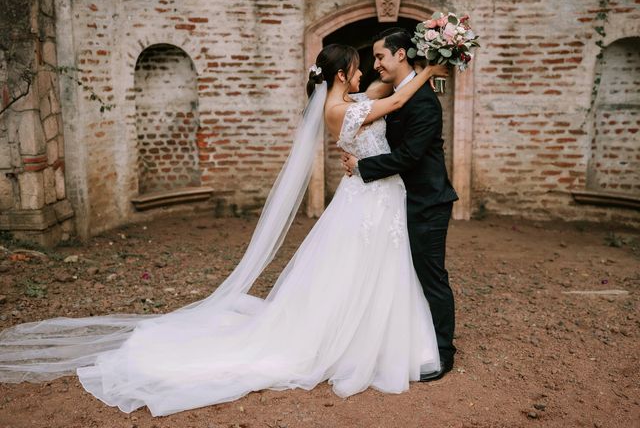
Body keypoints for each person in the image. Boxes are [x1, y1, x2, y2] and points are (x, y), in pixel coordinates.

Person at [0, 44, 448, 416]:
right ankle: (350, 341)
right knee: (359, 266)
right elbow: (392, 101)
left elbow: (382, 89)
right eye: (355, 68)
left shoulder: (349, 100)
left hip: (376, 196)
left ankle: (377, 334)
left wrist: (420, 60)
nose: (363, 72)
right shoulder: (339, 111)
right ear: (338, 76)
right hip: (366, 200)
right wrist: (429, 70)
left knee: (373, 268)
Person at [342, 28, 459, 381]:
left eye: (379, 56)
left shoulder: (423, 101)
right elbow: (371, 104)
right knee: (402, 275)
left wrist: (363, 166)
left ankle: (442, 353)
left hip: (428, 201)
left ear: (401, 55)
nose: (375, 63)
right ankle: (408, 340)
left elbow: (409, 155)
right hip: (397, 200)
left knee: (431, 276)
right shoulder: (399, 93)